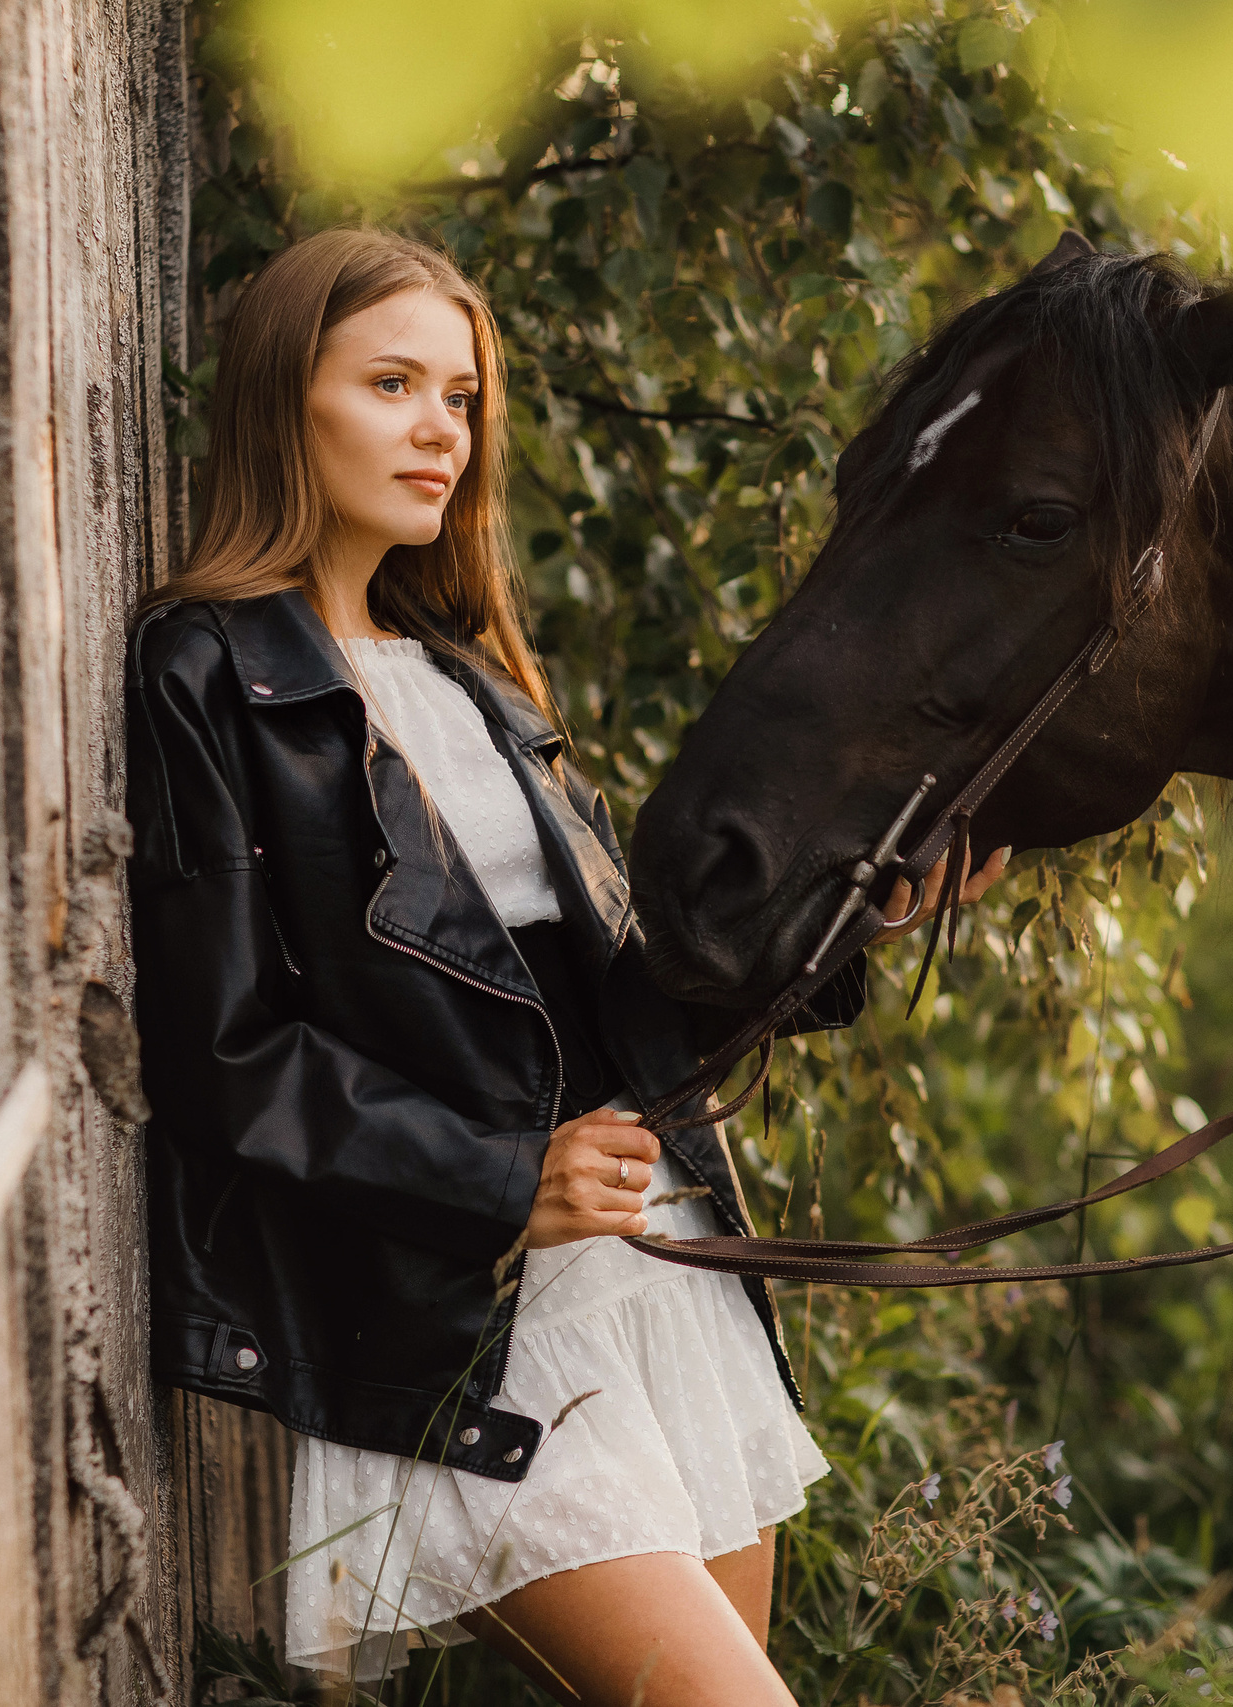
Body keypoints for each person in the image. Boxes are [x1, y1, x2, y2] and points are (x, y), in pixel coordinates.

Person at [124, 228, 1005, 1705]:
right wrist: (498, 1180)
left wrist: (857, 925)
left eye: (460, 398)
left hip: (661, 1285)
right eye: (391, 384)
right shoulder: (209, 675)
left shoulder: (470, 682)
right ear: (289, 403)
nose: (437, 433)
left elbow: (628, 995)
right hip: (463, 1337)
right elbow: (227, 1055)